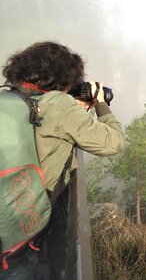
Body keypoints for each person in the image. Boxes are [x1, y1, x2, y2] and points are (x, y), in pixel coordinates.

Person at [0, 41, 125, 279]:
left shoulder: (11, 97)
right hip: (25, 239)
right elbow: (114, 142)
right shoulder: (59, 105)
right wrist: (100, 104)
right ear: (64, 75)